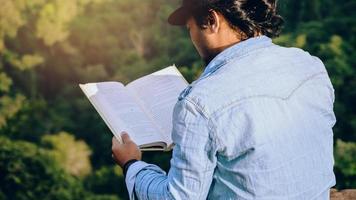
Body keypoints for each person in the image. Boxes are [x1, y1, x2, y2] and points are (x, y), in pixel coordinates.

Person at [111, 0, 337, 199]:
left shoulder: (199, 103)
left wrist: (132, 164)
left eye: (189, 28)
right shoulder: (309, 65)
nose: (192, 38)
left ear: (211, 20)